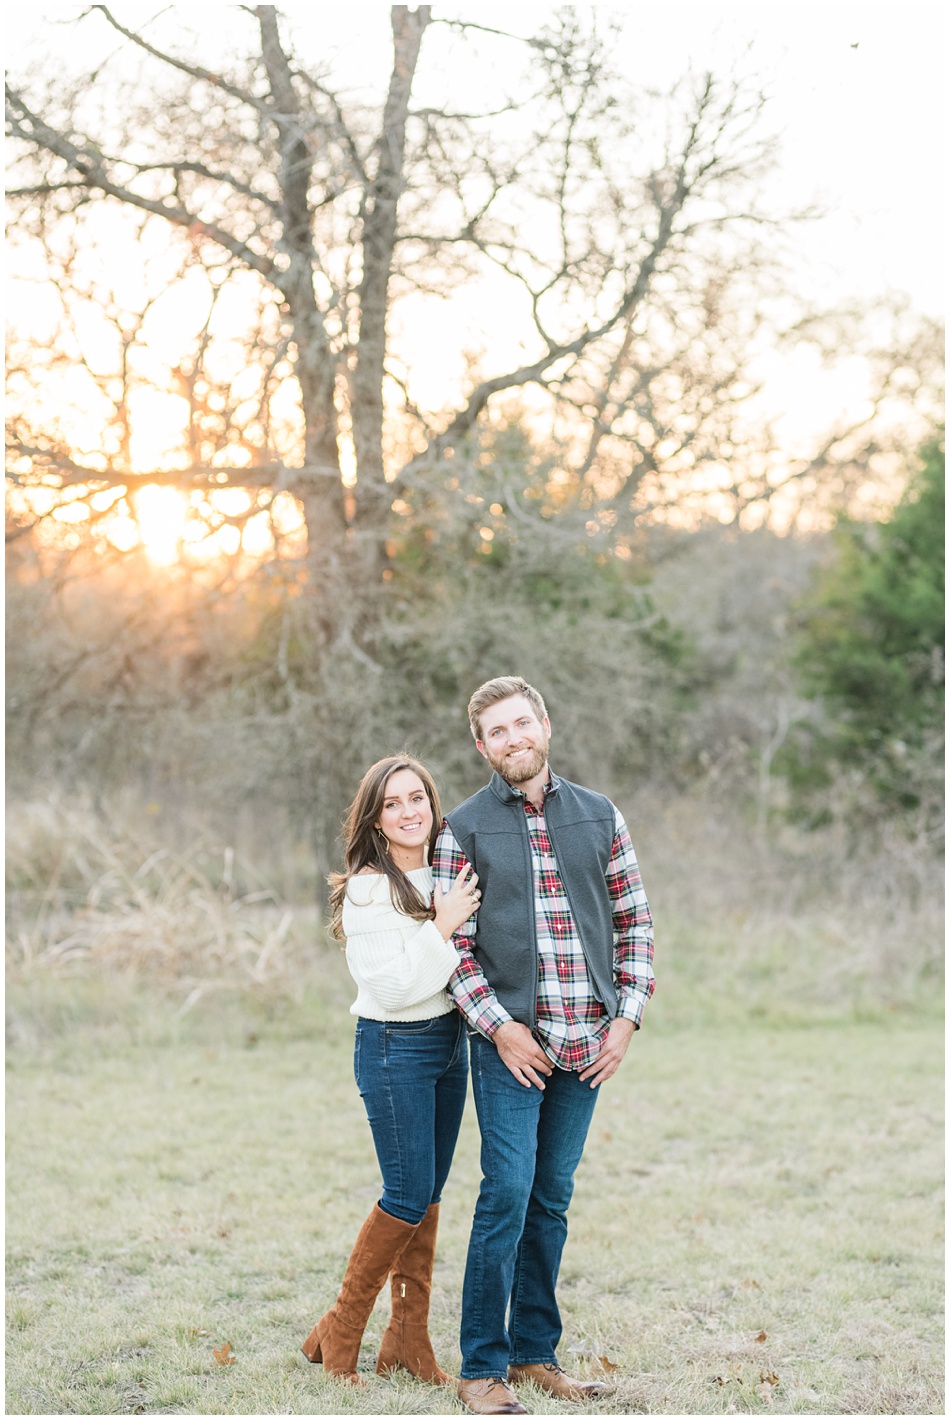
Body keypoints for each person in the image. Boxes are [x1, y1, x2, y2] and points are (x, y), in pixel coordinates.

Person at [433, 676, 655, 1416]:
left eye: (521, 724)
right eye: (497, 732)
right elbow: (454, 951)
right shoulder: (461, 829)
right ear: (481, 746)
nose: (512, 739)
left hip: (588, 1044)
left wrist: (625, 1019)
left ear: (545, 726)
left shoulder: (599, 815)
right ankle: (481, 1366)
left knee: (551, 1199)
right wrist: (499, 1026)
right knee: (506, 1193)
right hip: (510, 1051)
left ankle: (534, 1354)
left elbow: (636, 924)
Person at [300, 755, 480, 1387]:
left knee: (428, 1195)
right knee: (404, 1194)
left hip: (449, 1045)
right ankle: (342, 1330)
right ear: (375, 819)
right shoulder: (368, 889)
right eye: (393, 804)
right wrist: (444, 925)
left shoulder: (449, 872)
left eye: (417, 798)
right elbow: (399, 987)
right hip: (392, 1047)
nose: (410, 813)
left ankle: (407, 1339)